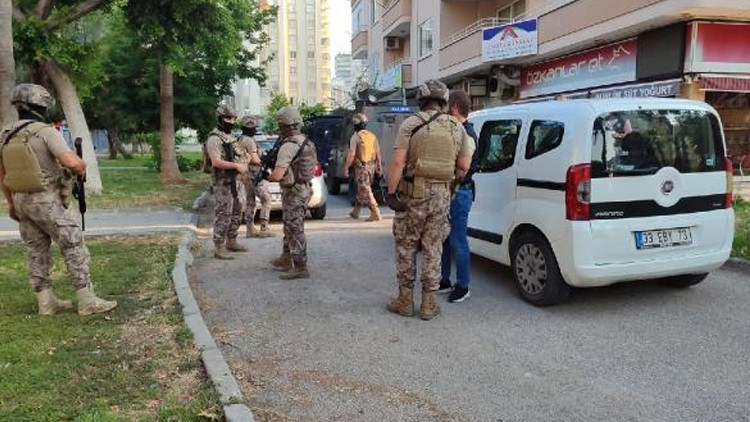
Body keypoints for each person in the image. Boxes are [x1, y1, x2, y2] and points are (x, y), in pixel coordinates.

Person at [0, 83, 117, 316]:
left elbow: (3, 174)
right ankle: (87, 300)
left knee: (36, 250)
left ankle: (46, 302)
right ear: (41, 105)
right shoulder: (45, 132)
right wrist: (80, 166)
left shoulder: (5, 134)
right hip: (47, 200)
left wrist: (11, 203)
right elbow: (73, 163)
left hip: (21, 200)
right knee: (72, 245)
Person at [384, 80, 475, 321]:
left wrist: (391, 194)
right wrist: (448, 185)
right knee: (434, 248)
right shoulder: (457, 128)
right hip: (442, 196)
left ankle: (405, 301)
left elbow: (398, 163)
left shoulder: (410, 124)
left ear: (421, 100)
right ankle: (428, 304)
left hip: (413, 194)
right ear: (444, 101)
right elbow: (464, 166)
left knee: (407, 246)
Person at [267, 106, 317, 280]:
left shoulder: (288, 146)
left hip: (294, 192)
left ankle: (300, 267)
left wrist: (267, 177)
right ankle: (286, 258)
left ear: (283, 125)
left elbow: (277, 175)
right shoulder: (307, 142)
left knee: (294, 228)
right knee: (290, 225)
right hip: (304, 188)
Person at [439, 90, 479, 303]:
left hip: (460, 192)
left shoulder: (466, 134)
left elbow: (463, 169)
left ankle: (463, 286)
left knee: (458, 241)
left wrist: (449, 179)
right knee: (446, 238)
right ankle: (444, 280)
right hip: (453, 191)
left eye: (446, 106)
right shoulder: (458, 131)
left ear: (454, 107)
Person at [206, 104, 249, 260]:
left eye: (233, 118)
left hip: (237, 181)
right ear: (219, 118)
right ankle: (219, 246)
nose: (231, 121)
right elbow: (216, 162)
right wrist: (236, 166)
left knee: (237, 210)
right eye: (227, 118)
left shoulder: (231, 137)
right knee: (224, 213)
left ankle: (232, 241)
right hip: (223, 182)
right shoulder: (214, 139)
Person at [238, 116, 273, 238]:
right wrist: (263, 162)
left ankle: (250, 229)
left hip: (245, 175)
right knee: (266, 199)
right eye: (253, 128)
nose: (254, 130)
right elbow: (254, 159)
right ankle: (264, 227)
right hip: (254, 174)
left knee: (250, 201)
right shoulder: (249, 140)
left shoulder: (241, 139)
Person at [344, 113, 382, 222]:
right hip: (371, 167)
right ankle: (356, 212)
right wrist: (379, 166)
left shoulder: (355, 137)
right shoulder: (372, 136)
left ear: (355, 124)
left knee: (365, 188)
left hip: (361, 168)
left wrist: (346, 168)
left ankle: (375, 212)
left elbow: (352, 154)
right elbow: (378, 152)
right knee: (362, 188)